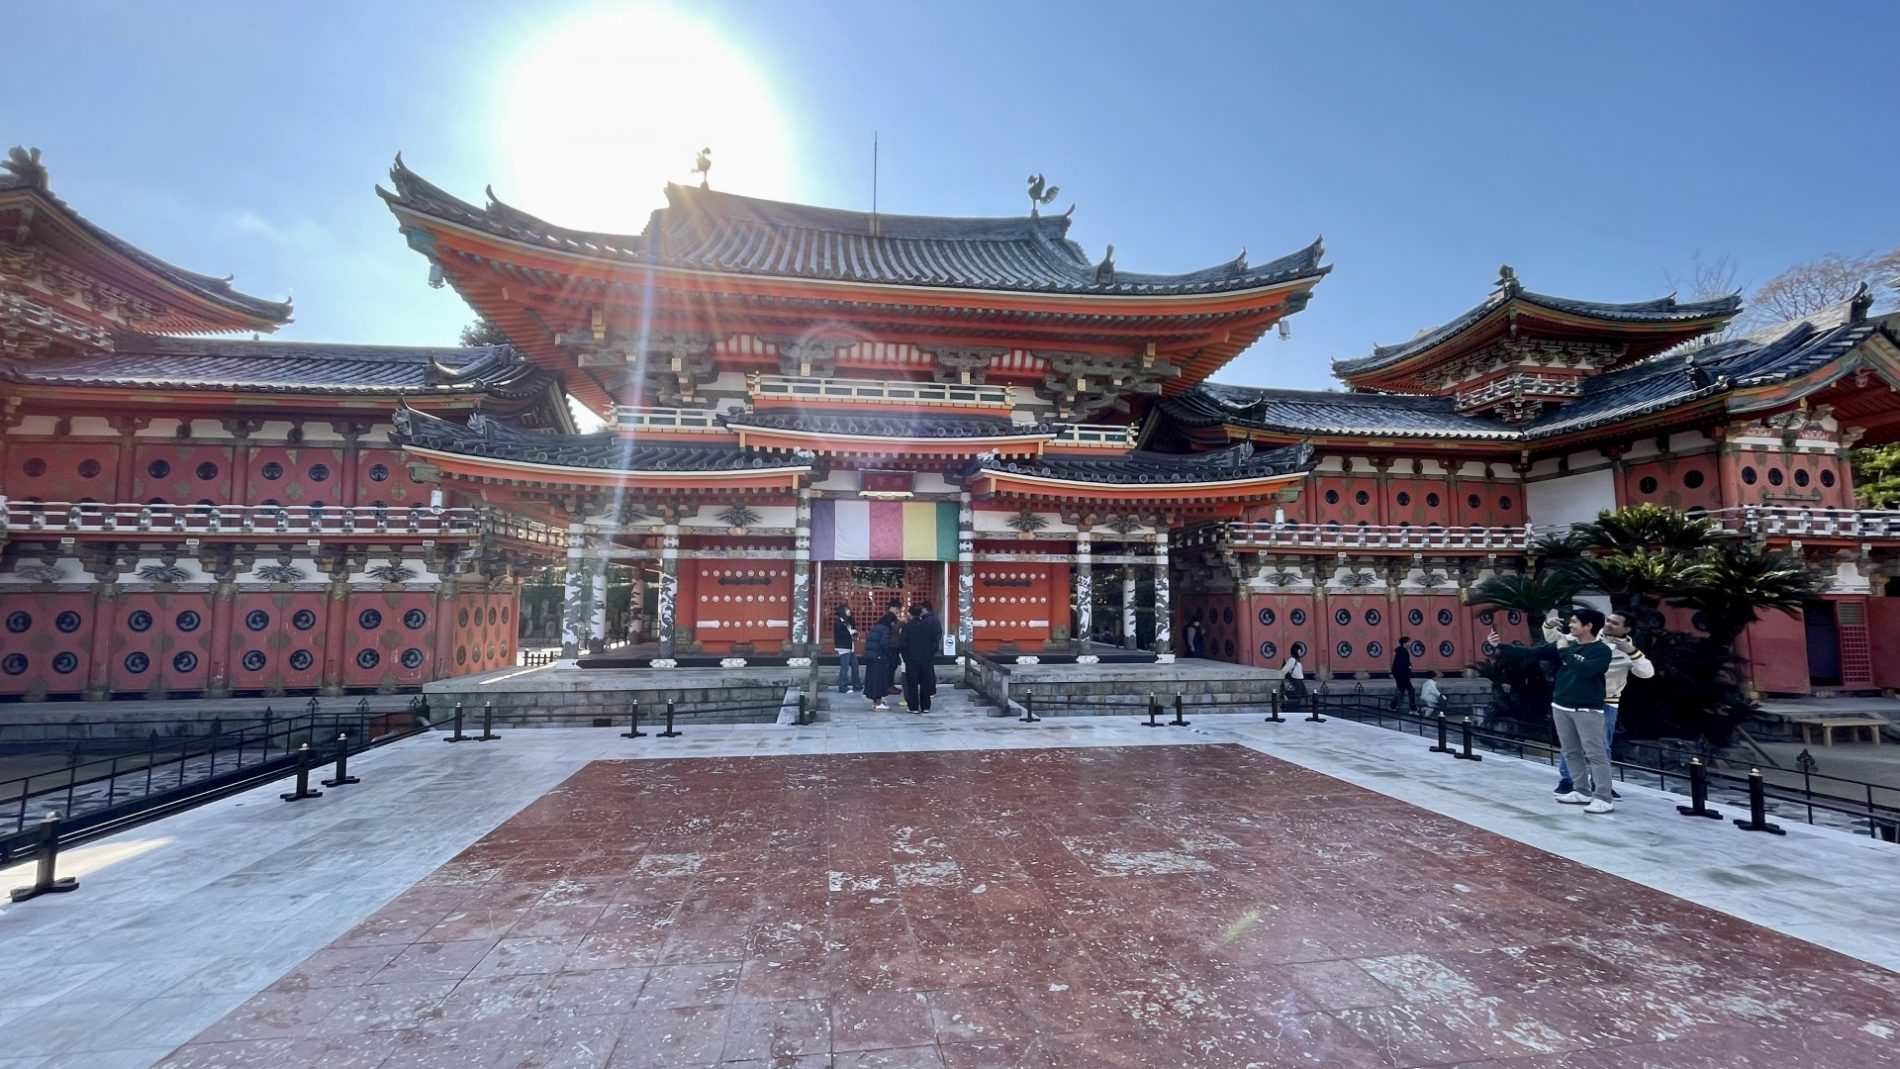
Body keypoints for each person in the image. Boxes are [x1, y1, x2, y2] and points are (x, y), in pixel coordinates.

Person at [1491, 607, 1616, 813]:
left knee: (1595, 753)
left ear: (1589, 626)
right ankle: (1581, 790)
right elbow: (1532, 652)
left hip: (1587, 709)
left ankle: (1603, 797)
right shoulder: (1566, 644)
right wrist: (1500, 646)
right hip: (1561, 706)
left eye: (1575, 622)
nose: (1571, 625)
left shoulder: (1601, 650)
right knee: (1570, 750)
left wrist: (1565, 650)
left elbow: (1585, 671)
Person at [1544, 609, 1653, 800]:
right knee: (1571, 744)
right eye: (1608, 621)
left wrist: (1633, 653)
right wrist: (1547, 625)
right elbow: (1556, 640)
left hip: (1607, 702)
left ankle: (1601, 785)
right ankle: (1568, 781)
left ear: (1627, 629)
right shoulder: (1589, 639)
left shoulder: (1627, 651)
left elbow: (1647, 673)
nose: (1609, 624)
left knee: (1601, 747)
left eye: (1615, 623)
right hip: (1579, 698)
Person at [899, 601, 942, 713]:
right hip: (925, 659)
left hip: (912, 659)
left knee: (912, 684)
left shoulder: (908, 627)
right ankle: (925, 706)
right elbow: (935, 642)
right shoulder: (928, 625)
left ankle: (913, 707)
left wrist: (906, 658)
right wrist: (929, 654)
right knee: (925, 683)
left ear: (910, 614)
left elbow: (903, 644)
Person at [863, 608, 898, 711]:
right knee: (878, 680)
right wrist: (888, 653)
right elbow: (884, 643)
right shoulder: (885, 629)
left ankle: (875, 702)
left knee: (872, 679)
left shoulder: (876, 627)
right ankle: (878, 703)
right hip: (879, 657)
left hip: (871, 656)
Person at [833, 603, 860, 695]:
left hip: (850, 646)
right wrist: (851, 633)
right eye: (846, 610)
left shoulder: (849, 621)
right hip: (844, 647)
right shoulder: (839, 623)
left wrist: (855, 634)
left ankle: (857, 685)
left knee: (855, 666)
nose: (849, 611)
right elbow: (842, 635)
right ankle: (843, 687)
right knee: (845, 668)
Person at [1391, 636, 1415, 712]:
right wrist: (1408, 672)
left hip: (1401, 676)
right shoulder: (1402, 652)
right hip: (1403, 676)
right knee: (1411, 691)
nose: (1410, 643)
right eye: (1409, 642)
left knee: (1400, 691)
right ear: (1404, 643)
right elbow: (1402, 666)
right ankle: (1413, 709)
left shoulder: (1402, 652)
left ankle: (1393, 707)